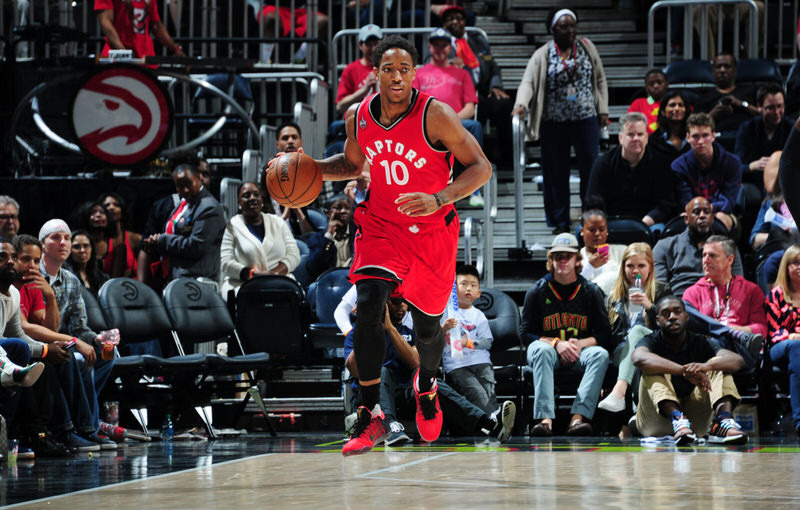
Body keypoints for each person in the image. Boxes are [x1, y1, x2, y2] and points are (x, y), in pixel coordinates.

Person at [265, 35, 491, 455]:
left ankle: (427, 383)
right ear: (375, 73)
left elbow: (482, 167)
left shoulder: (436, 115)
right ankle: (370, 414)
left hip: (431, 231)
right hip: (381, 224)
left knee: (426, 331)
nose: (397, 76)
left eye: (405, 69)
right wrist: (308, 169)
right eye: (388, 69)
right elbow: (352, 164)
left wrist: (440, 197)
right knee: (367, 305)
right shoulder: (359, 117)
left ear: (415, 73)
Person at [343, 298, 515, 446]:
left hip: (405, 396)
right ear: (384, 303)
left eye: (404, 302)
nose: (401, 306)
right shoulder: (359, 333)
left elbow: (415, 362)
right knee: (383, 371)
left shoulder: (410, 333)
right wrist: (369, 327)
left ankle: (490, 424)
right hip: (374, 399)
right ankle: (388, 426)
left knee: (429, 382)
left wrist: (390, 329)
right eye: (395, 302)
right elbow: (354, 369)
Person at [512, 8, 608, 234]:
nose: (570, 30)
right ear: (553, 30)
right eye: (564, 26)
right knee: (556, 172)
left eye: (573, 25)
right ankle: (560, 220)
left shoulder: (586, 46)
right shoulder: (543, 54)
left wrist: (603, 109)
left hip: (585, 118)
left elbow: (601, 79)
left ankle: (590, 217)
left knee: (591, 169)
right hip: (553, 121)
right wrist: (521, 105)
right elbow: (528, 83)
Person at [520, 233, 611, 436]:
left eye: (567, 256)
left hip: (579, 351)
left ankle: (578, 419)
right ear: (550, 260)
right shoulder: (537, 291)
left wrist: (579, 345)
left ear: (577, 260)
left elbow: (605, 334)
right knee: (542, 351)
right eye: (557, 256)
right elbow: (525, 334)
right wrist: (556, 343)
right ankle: (545, 421)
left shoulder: (590, 291)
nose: (562, 260)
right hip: (547, 352)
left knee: (601, 355)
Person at [38, 220, 117, 450]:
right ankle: (87, 427)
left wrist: (97, 339)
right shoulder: (32, 276)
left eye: (66, 238)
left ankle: (88, 422)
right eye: (55, 238)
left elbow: (79, 327)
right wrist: (78, 343)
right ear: (43, 244)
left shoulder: (71, 280)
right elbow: (38, 329)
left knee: (106, 355)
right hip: (50, 342)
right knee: (77, 360)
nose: (63, 242)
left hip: (68, 342)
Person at [631, 296, 748, 445]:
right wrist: (684, 371)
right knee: (652, 367)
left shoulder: (701, 341)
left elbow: (737, 361)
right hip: (656, 422)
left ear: (686, 317)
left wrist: (705, 367)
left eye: (677, 312)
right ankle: (677, 419)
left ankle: (722, 422)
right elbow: (639, 358)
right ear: (657, 320)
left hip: (694, 423)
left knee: (718, 363)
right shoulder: (650, 340)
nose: (672, 317)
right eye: (666, 313)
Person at [599, 243, 672, 413]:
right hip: (623, 352)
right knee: (637, 354)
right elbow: (608, 334)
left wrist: (650, 307)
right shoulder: (614, 297)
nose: (635, 270)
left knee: (638, 333)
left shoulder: (662, 290)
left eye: (641, 266)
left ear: (650, 267)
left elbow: (671, 326)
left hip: (655, 347)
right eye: (630, 265)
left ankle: (619, 391)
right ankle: (637, 415)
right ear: (623, 267)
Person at [441, 264, 516, 422]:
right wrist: (444, 328)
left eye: (473, 285)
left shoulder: (479, 316)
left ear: (478, 293)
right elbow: (434, 340)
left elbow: (487, 342)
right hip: (457, 365)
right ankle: (496, 419)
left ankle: (493, 422)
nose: (468, 288)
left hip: (482, 362)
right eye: (463, 284)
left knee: (489, 393)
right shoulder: (446, 313)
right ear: (454, 289)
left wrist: (469, 343)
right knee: (475, 391)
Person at [441, 4, 513, 166]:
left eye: (459, 19)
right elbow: (428, 64)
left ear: (465, 22)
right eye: (450, 19)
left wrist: (496, 86)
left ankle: (508, 160)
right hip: (459, 97)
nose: (455, 22)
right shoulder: (440, 44)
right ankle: (473, 163)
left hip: (482, 92)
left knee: (504, 105)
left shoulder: (478, 41)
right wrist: (448, 65)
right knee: (474, 118)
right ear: (444, 24)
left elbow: (492, 66)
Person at [682, 236, 767, 370]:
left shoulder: (751, 290)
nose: (706, 260)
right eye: (704, 255)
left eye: (712, 256)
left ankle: (724, 333)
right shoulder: (692, 292)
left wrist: (732, 329)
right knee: (684, 308)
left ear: (730, 259)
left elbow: (761, 329)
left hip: (740, 349)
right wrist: (723, 329)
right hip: (707, 349)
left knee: (717, 339)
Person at [143, 152, 226, 287]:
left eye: (188, 183)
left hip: (196, 281)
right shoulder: (184, 204)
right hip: (177, 277)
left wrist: (162, 240)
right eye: (180, 186)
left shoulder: (208, 207)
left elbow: (196, 246)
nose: (185, 189)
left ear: (199, 179)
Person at [586, 112, 676, 231]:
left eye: (640, 134)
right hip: (610, 223)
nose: (636, 139)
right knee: (584, 231)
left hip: (648, 223)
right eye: (630, 134)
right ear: (620, 138)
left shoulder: (660, 163)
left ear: (646, 138)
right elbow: (593, 203)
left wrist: (646, 221)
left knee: (660, 230)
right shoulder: (603, 164)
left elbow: (666, 203)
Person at [220, 181, 300, 296]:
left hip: (281, 280)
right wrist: (251, 275)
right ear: (239, 202)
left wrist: (275, 274)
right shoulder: (232, 226)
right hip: (242, 283)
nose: (252, 198)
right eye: (246, 195)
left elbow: (294, 254)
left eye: (256, 195)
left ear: (262, 200)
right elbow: (226, 262)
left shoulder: (278, 222)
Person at [653, 196, 744, 298]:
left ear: (712, 218)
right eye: (696, 212)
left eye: (706, 212)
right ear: (686, 219)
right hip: (679, 305)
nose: (702, 216)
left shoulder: (728, 248)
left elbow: (737, 286)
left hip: (717, 303)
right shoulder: (664, 246)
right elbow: (659, 289)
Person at [671, 113, 743, 231]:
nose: (700, 141)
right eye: (695, 136)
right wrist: (697, 212)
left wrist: (704, 210)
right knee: (682, 221)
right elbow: (685, 201)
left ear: (713, 136)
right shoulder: (679, 166)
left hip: (723, 213)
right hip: (692, 214)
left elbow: (728, 202)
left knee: (720, 219)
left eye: (705, 135)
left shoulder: (732, 162)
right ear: (688, 137)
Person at [765, 245, 800, 434]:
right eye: (796, 263)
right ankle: (799, 420)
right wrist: (792, 335)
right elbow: (774, 332)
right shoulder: (776, 296)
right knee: (796, 347)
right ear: (786, 267)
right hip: (780, 347)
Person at [735, 83, 794, 175]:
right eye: (770, 108)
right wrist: (752, 166)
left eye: (780, 106)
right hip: (754, 180)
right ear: (759, 106)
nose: (776, 112)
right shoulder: (747, 128)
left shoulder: (791, 127)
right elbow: (737, 166)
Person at [296, 195, 354, 289]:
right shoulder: (318, 238)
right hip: (329, 283)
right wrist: (328, 237)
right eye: (338, 208)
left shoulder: (358, 234)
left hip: (354, 281)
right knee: (313, 288)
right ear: (327, 213)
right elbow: (314, 267)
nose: (343, 211)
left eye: (347, 208)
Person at [95, 0, 185, 58]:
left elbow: (156, 26)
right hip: (116, 56)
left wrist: (175, 49)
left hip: (144, 57)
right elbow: (105, 21)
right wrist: (122, 50)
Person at [271, 122, 317, 234]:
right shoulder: (268, 171)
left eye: (294, 137)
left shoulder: (314, 170)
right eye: (285, 138)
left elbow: (321, 215)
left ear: (300, 142)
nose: (290, 141)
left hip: (307, 235)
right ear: (277, 144)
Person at [695, 53, 758, 136]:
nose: (722, 70)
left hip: (747, 138)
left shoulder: (750, 90)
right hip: (715, 140)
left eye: (727, 66)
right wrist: (715, 112)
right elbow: (696, 127)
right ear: (713, 72)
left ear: (735, 71)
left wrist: (741, 104)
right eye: (718, 67)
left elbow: (765, 116)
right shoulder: (704, 95)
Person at [335, 24, 382, 117]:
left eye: (376, 44)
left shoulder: (390, 68)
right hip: (357, 122)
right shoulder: (351, 69)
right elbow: (340, 106)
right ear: (360, 45)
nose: (373, 49)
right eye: (368, 44)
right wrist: (364, 89)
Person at [578, 208, 626, 296]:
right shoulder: (575, 258)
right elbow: (573, 290)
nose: (597, 233)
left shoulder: (623, 251)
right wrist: (589, 267)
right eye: (592, 230)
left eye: (601, 229)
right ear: (582, 231)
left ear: (607, 231)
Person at [98, 193, 141, 278]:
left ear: (122, 210)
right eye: (107, 205)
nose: (111, 208)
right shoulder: (99, 240)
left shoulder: (135, 238)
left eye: (116, 205)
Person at [647, 90, 693, 165]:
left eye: (681, 105)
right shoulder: (653, 141)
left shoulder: (693, 138)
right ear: (663, 111)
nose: (677, 108)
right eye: (672, 105)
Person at [65, 230, 109, 296]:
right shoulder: (65, 278)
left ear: (92, 248)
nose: (82, 250)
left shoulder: (102, 277)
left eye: (86, 246)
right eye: (76, 247)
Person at [627, 69, 668, 134]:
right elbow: (628, 125)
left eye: (659, 82)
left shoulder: (674, 103)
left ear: (667, 84)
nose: (656, 86)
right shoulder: (638, 104)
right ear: (646, 88)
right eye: (651, 84)